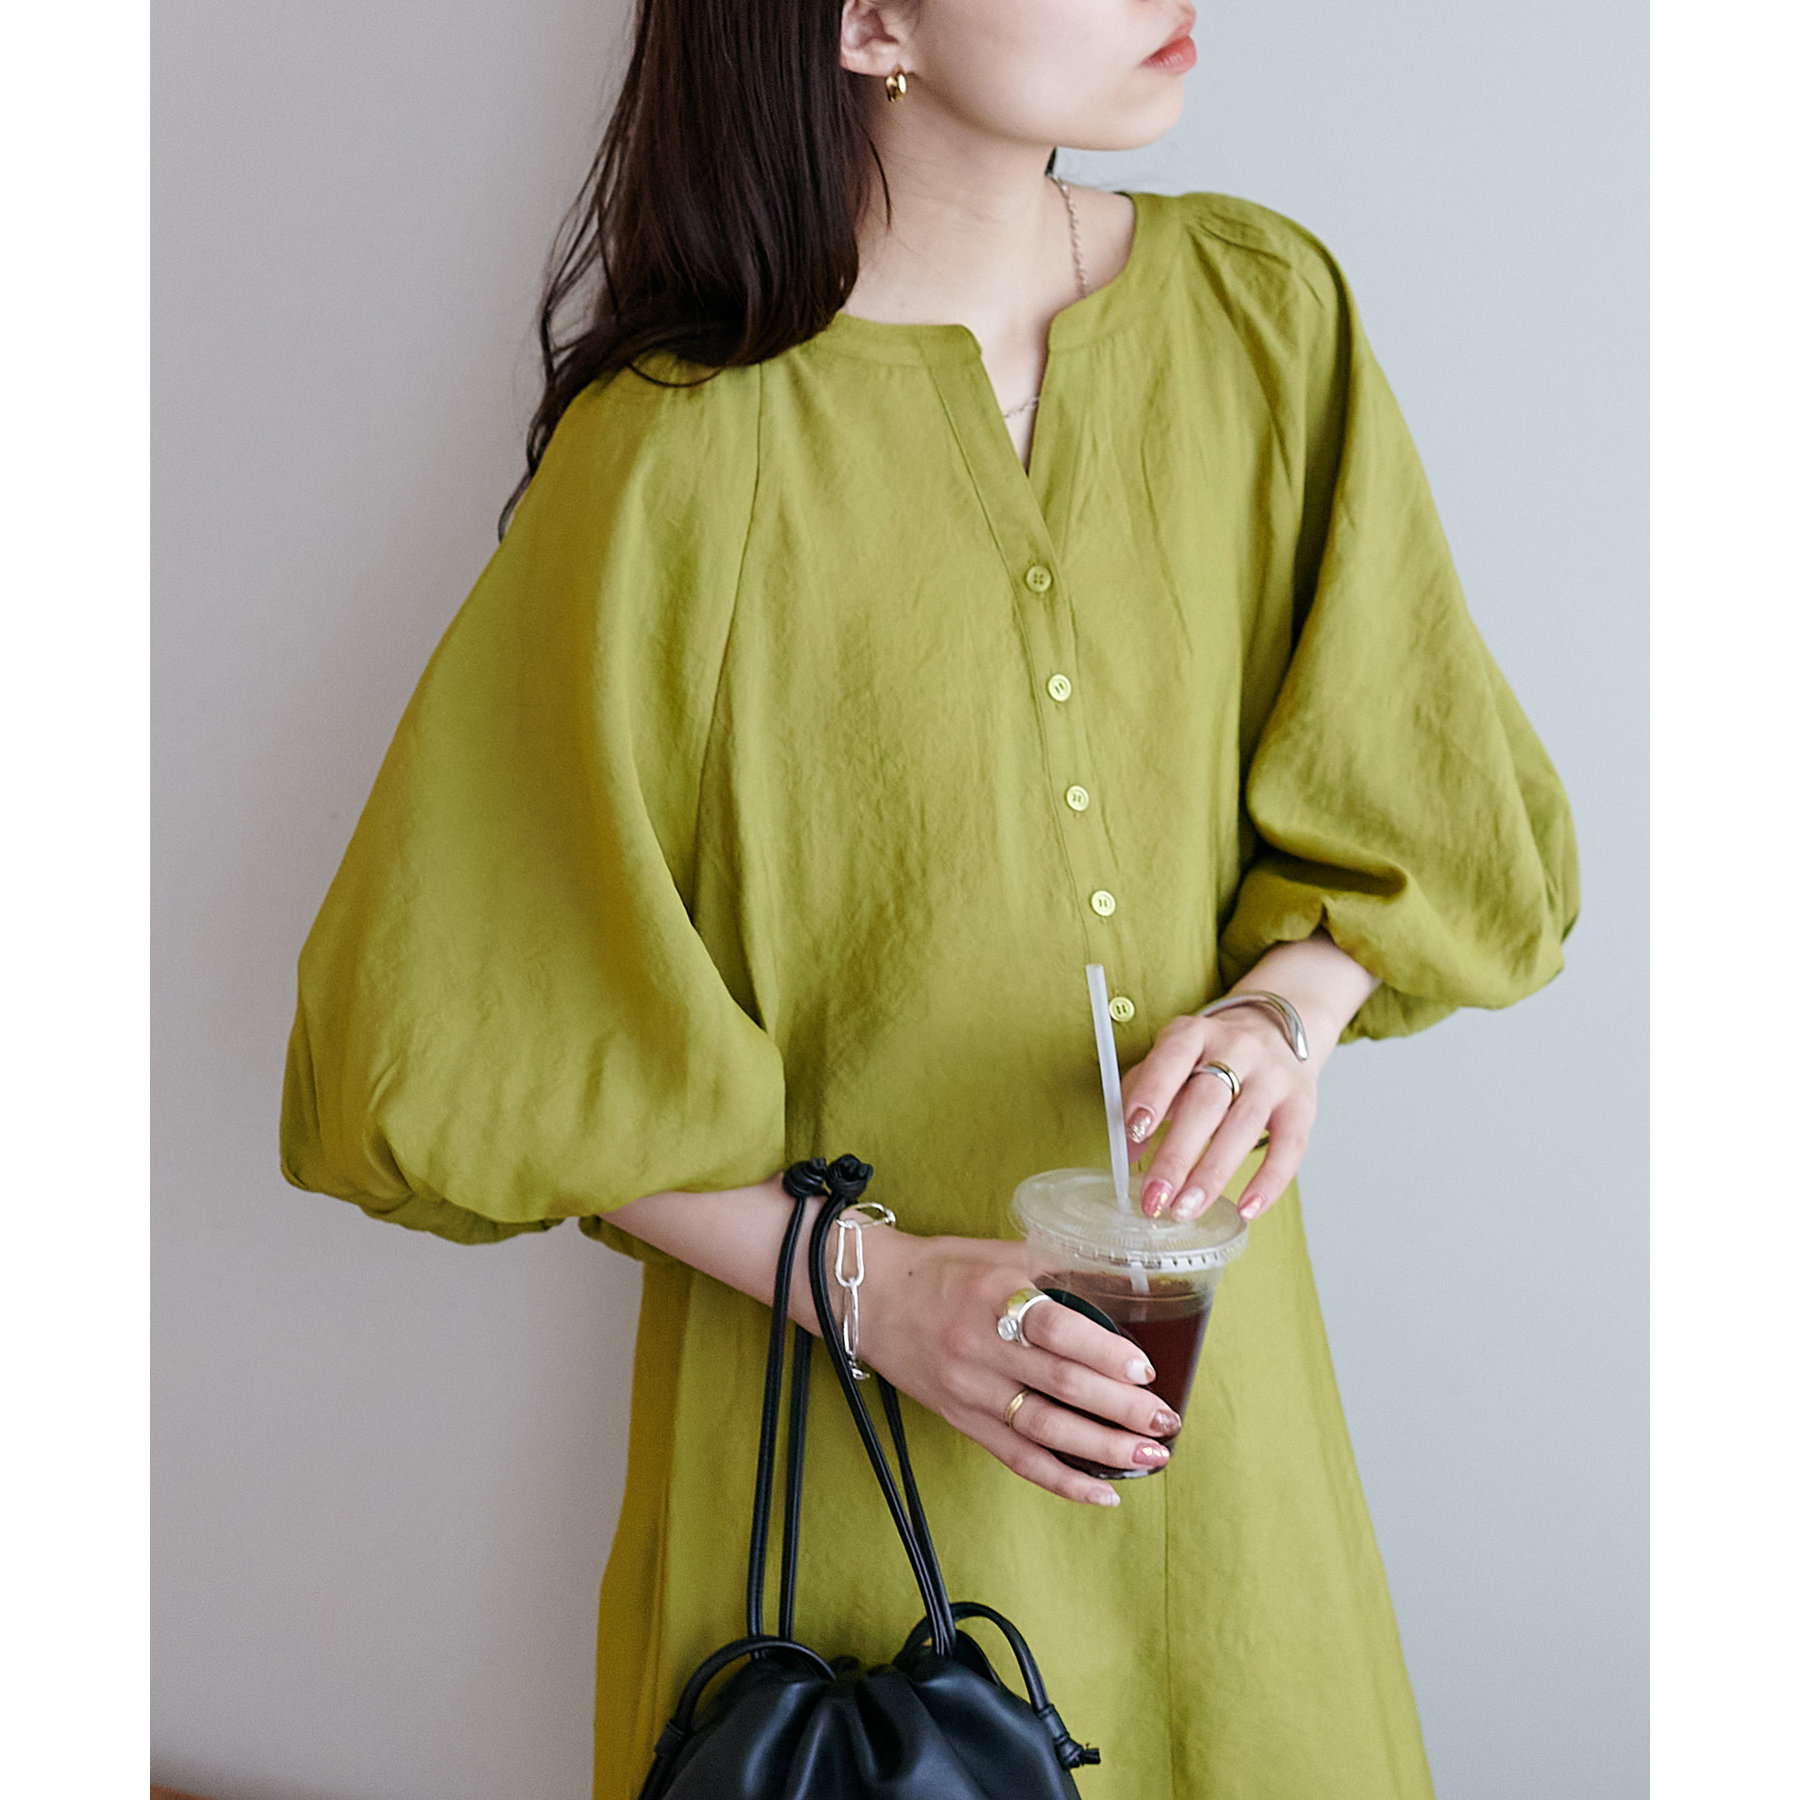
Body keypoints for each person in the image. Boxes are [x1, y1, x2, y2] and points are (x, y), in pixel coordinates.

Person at [279, 1, 1579, 1795]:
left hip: (1214, 1448)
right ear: (870, 18)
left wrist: (1284, 1017)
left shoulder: (1263, 319)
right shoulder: (677, 450)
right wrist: (876, 1293)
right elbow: (454, 1036)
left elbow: (1430, 802)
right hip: (841, 1474)